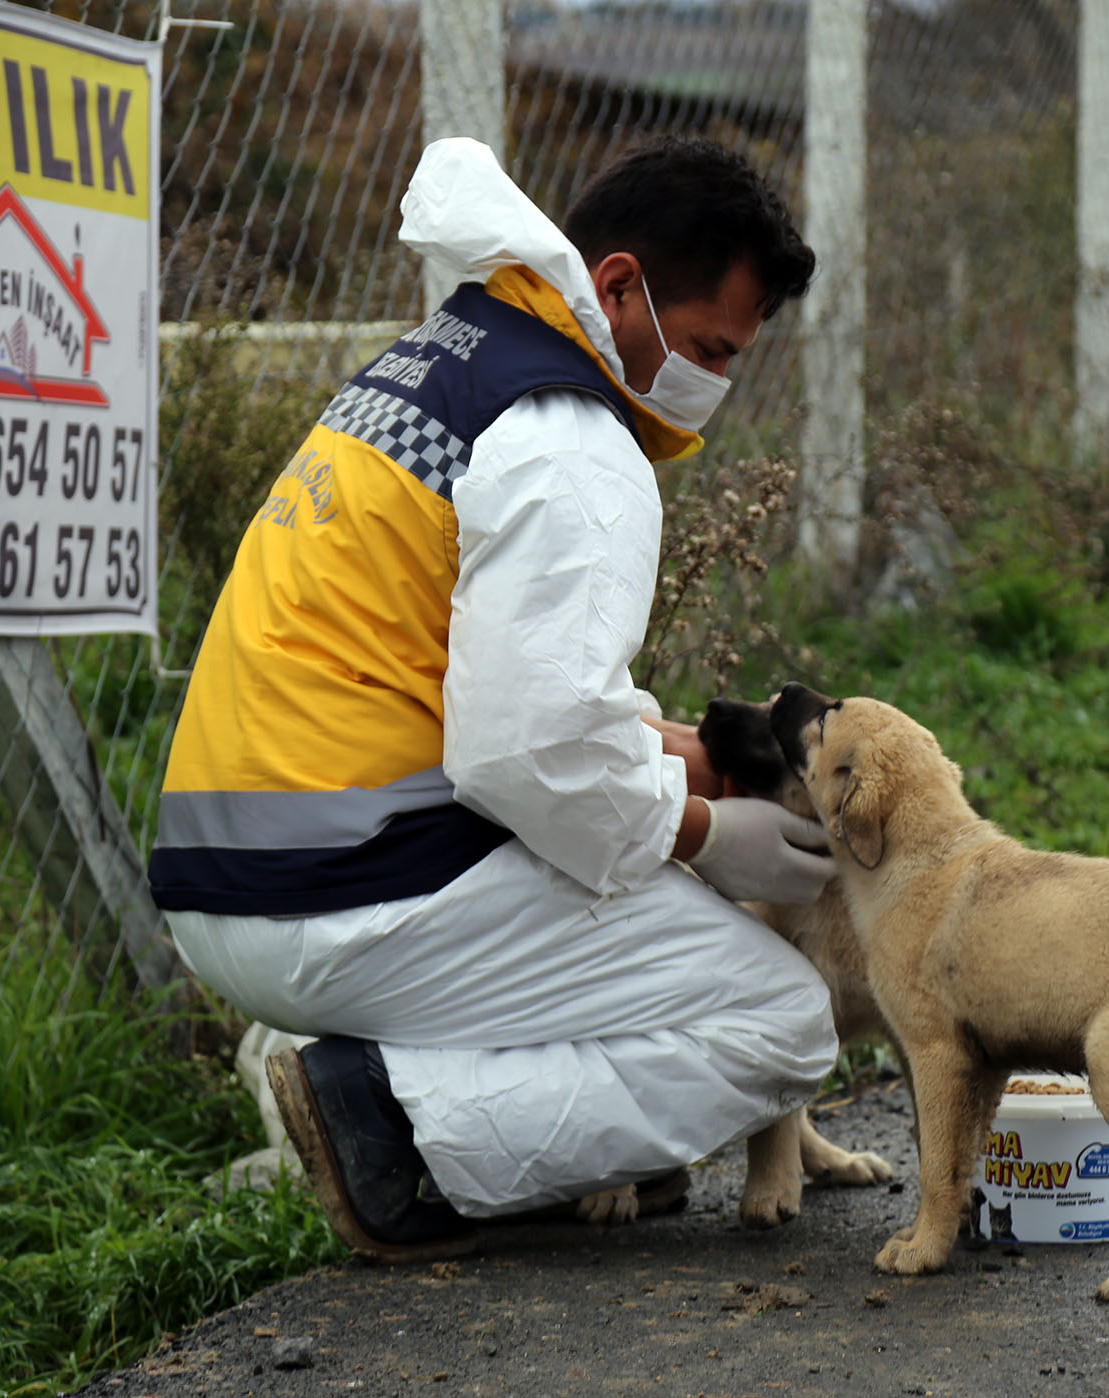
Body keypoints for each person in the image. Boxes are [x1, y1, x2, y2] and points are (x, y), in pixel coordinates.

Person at [148, 135, 839, 1261]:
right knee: (779, 1020)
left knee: (630, 895)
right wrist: (709, 831)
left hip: (231, 869)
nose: (714, 379)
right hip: (344, 890)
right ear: (615, 286)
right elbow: (524, 755)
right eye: (712, 347)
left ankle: (519, 1131)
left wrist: (677, 758)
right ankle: (392, 1133)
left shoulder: (441, 365)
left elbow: (485, 692)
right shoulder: (568, 438)